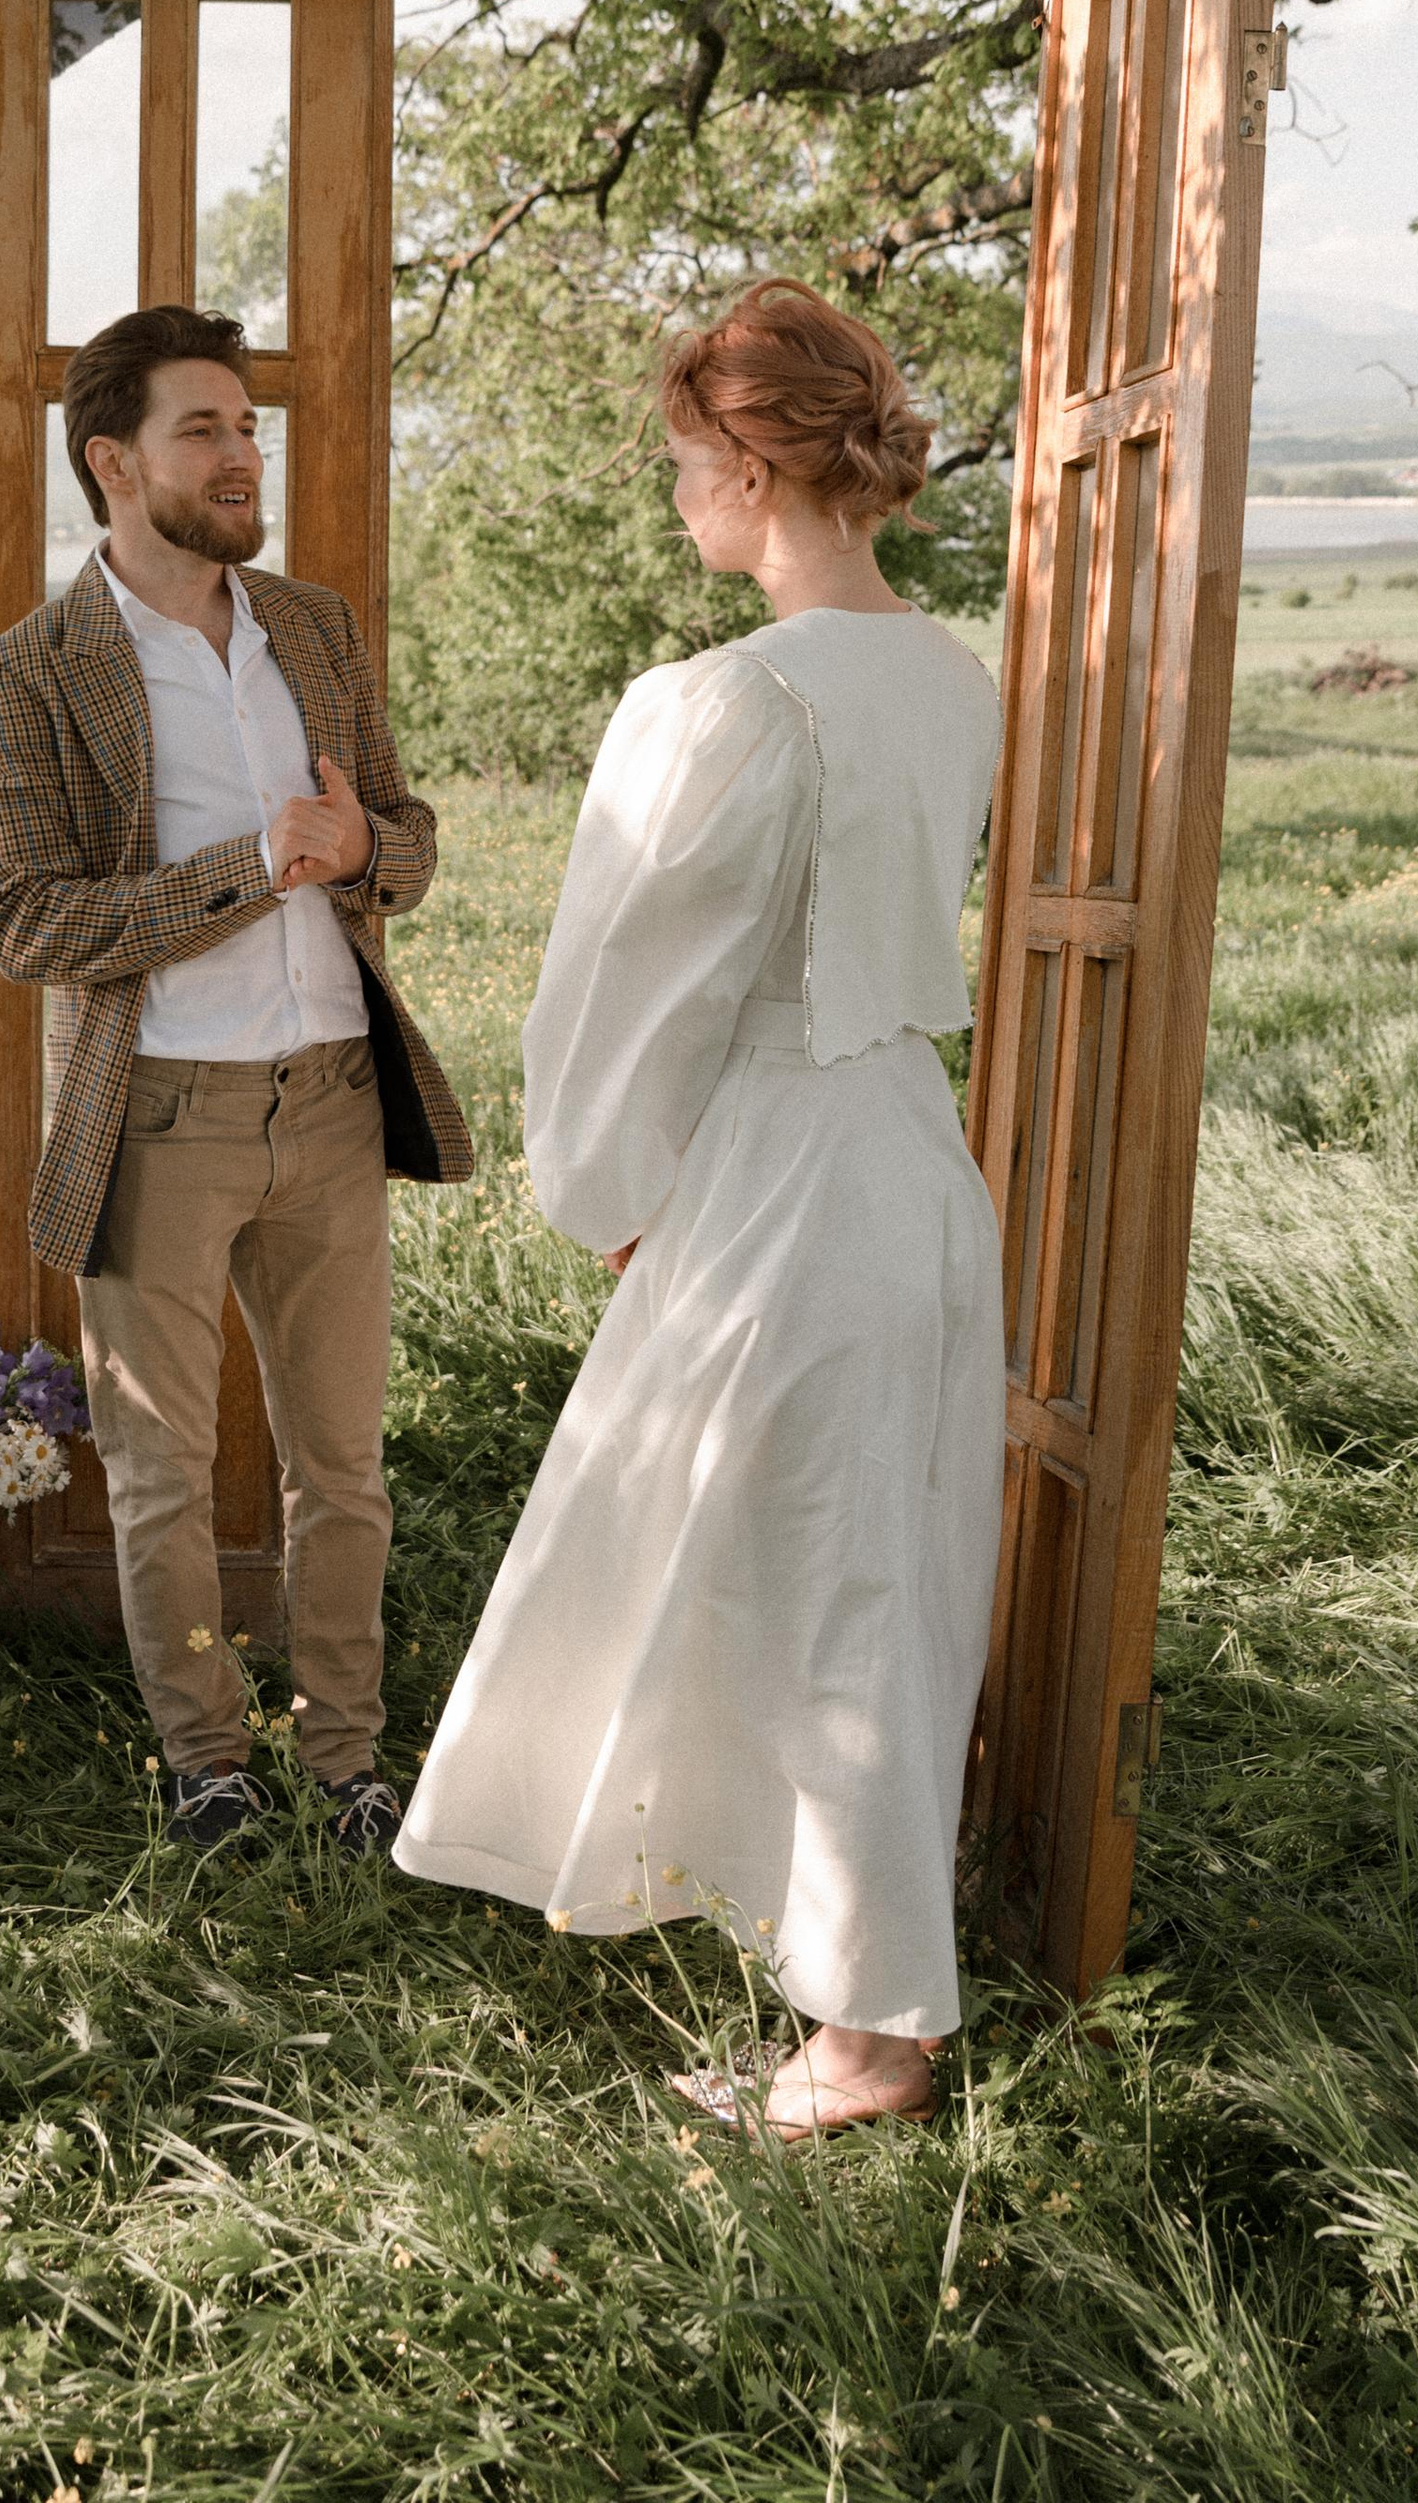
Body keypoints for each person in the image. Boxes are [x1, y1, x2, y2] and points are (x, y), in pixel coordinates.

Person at [394, 279, 1004, 2138]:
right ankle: (849, 1998)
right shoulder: (955, 673)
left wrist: (607, 1190)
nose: (677, 497)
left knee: (814, 1585)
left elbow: (627, 979)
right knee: (871, 1569)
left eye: (682, 461)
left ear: (750, 464)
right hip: (917, 1149)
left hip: (780, 1175)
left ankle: (870, 2039)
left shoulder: (723, 702)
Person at [0, 303, 470, 1861]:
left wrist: (367, 850)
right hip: (159, 1118)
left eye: (249, 428)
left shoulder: (312, 627)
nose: (245, 455)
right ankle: (207, 1768)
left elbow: (406, 833)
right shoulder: (30, 674)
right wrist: (257, 868)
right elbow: (31, 924)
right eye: (206, 430)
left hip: (328, 1103)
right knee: (160, 1478)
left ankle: (345, 1765)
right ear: (114, 463)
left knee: (345, 1471)